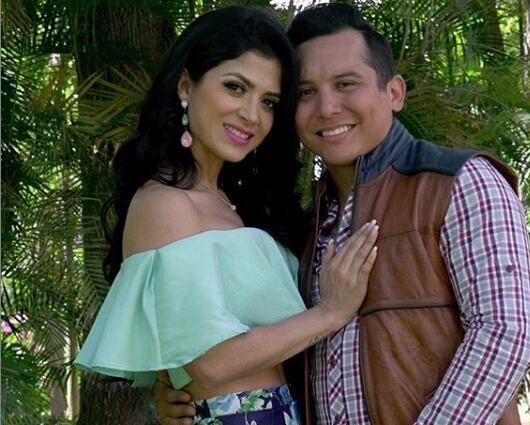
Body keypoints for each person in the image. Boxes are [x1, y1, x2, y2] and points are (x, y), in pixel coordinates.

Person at [154, 3, 530, 425]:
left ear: (394, 93)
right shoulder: (305, 226)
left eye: (345, 84)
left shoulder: (459, 183)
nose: (327, 107)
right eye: (305, 92)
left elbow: (505, 334)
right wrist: (187, 393)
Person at [74, 6, 380, 425]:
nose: (252, 115)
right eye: (236, 88)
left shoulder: (232, 202)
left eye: (268, 101)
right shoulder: (164, 203)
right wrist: (330, 313)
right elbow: (210, 363)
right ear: (186, 85)